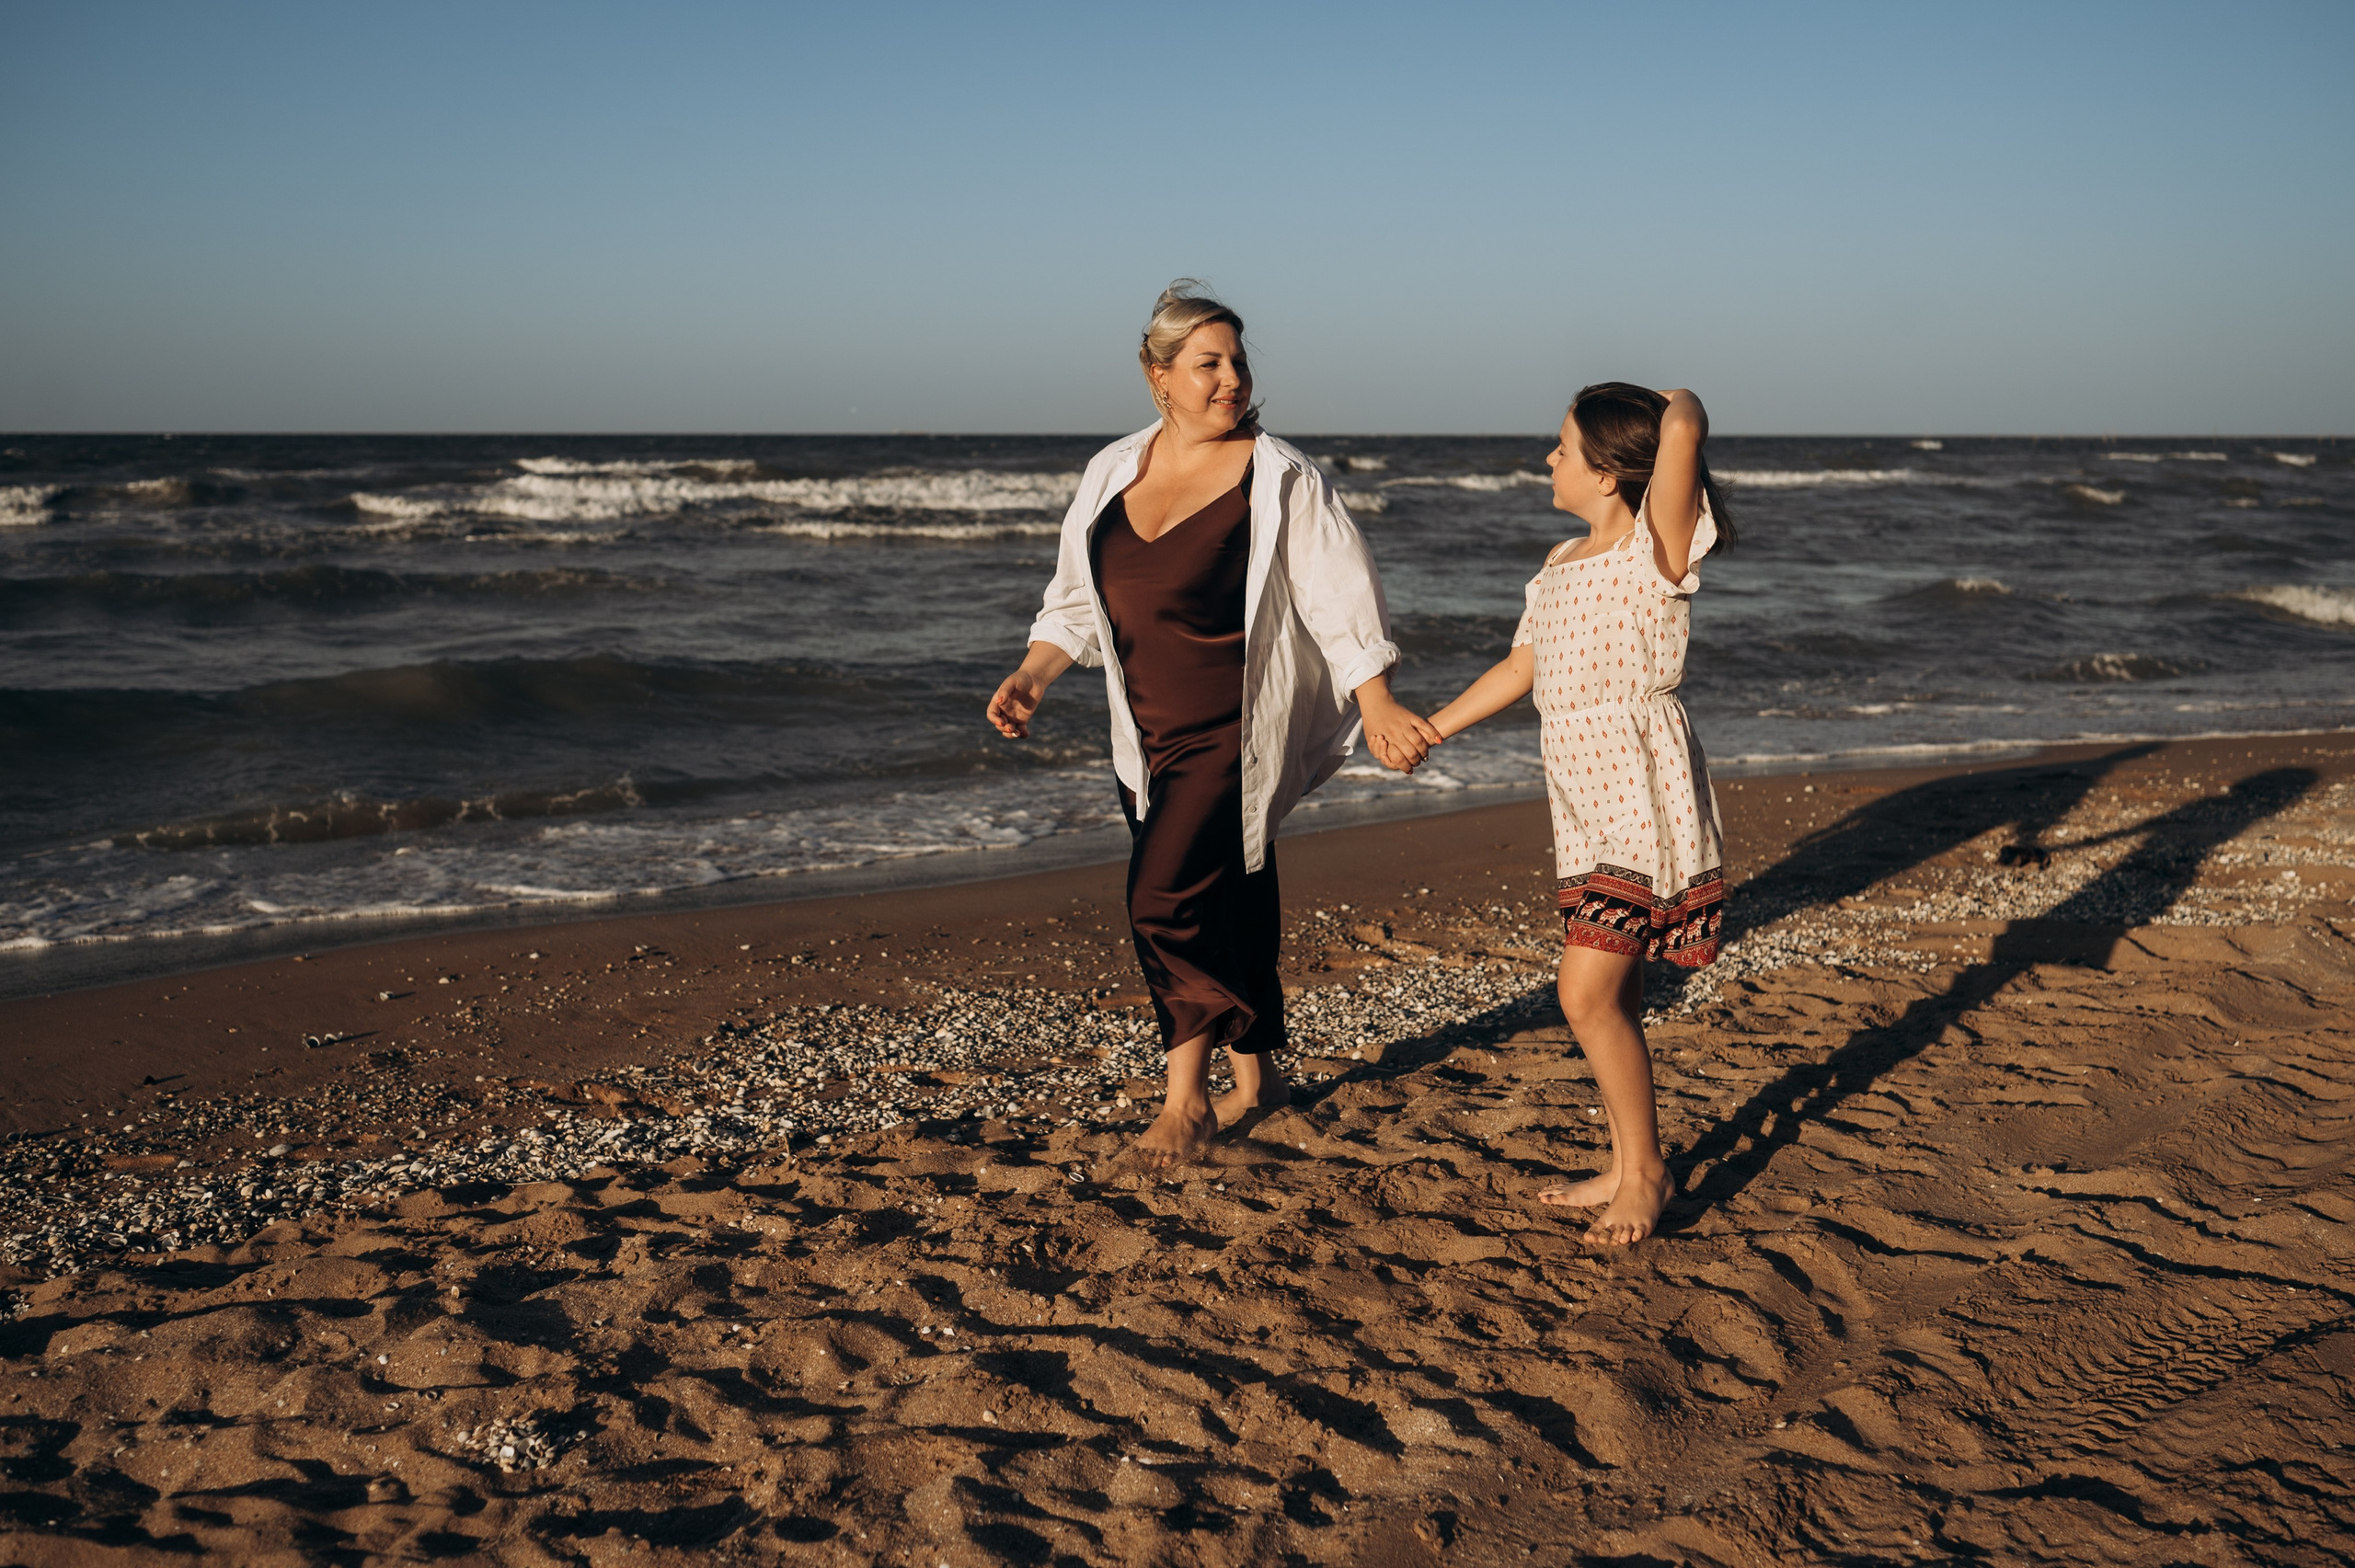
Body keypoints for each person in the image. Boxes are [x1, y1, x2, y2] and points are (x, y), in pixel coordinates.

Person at [986, 281, 1438, 1169]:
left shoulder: (1282, 478)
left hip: (1234, 732)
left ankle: (1185, 1100)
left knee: (1163, 900)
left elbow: (1339, 597)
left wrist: (1375, 698)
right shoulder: (1114, 469)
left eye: (1237, 362)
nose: (1231, 379)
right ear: (1159, 377)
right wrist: (1033, 674)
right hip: (1143, 737)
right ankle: (1259, 1079)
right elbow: (1076, 600)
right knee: (1231, 896)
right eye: (1208, 364)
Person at [1417, 383, 1734, 1243]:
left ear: (1607, 474)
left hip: (1640, 797)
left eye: (1563, 447)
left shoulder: (1653, 551)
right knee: (1616, 995)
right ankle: (1631, 1163)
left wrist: (1671, 401)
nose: (1547, 460)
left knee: (1583, 992)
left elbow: (1684, 422)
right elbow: (1523, 666)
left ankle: (1652, 1172)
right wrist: (1434, 727)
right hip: (1582, 803)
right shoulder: (1560, 560)